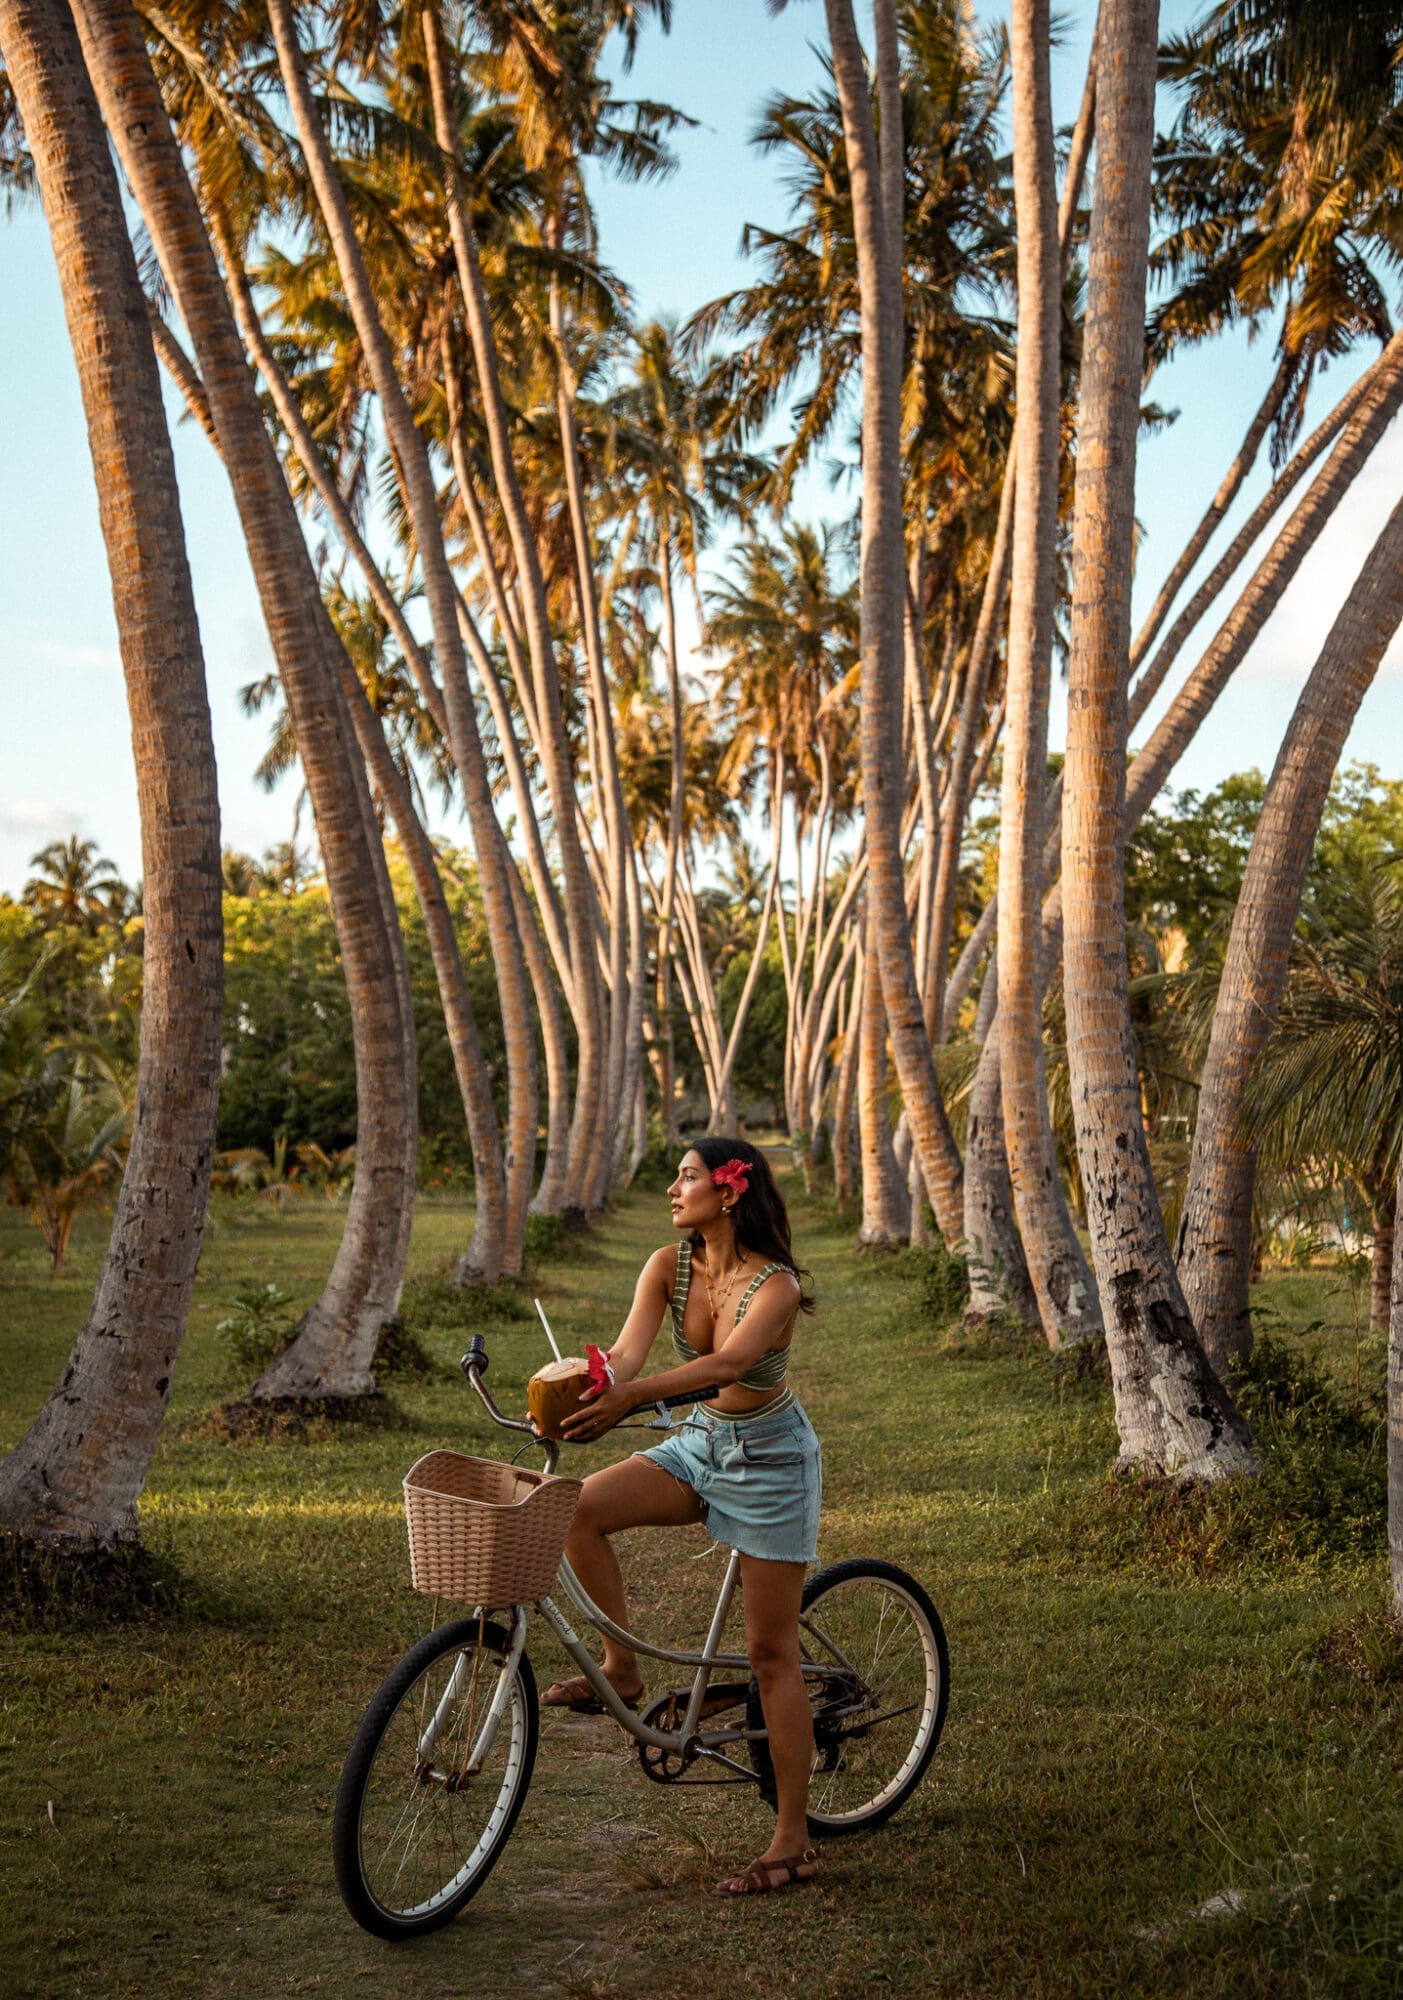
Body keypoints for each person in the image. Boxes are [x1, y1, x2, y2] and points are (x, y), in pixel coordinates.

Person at [541, 1136, 823, 1899]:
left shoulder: (777, 1286)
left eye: (688, 1176)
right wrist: (590, 1388)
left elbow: (727, 1366)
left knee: (770, 1656)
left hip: (769, 1461)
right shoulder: (669, 1266)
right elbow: (629, 1356)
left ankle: (793, 1842)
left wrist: (637, 1397)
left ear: (730, 1191)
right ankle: (621, 1671)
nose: (673, 1188)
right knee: (579, 1510)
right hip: (700, 1444)